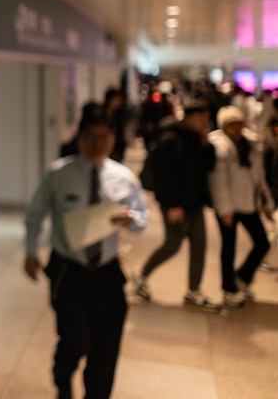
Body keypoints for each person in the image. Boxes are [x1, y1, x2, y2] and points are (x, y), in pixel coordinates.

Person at [25, 104, 148, 399]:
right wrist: (31, 252)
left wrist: (131, 219)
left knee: (106, 349)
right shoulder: (60, 173)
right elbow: (36, 214)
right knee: (75, 340)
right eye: (91, 136)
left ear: (113, 139)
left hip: (107, 271)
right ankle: (62, 376)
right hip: (69, 270)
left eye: (105, 137)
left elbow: (142, 220)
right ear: (80, 137)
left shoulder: (123, 177)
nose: (98, 143)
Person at [131, 100, 218, 310]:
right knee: (172, 245)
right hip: (176, 204)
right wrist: (172, 205)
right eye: (200, 119)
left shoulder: (198, 139)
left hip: (195, 203)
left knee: (199, 247)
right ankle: (141, 276)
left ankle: (193, 291)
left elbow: (207, 167)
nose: (204, 123)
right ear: (187, 117)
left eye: (206, 120)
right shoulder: (171, 139)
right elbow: (164, 177)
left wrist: (207, 146)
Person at [208, 106, 274, 307]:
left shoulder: (251, 144)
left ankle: (242, 277)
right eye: (232, 124)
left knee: (262, 242)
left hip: (248, 203)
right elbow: (218, 182)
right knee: (228, 248)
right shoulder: (219, 147)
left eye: (239, 123)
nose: (237, 128)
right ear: (224, 126)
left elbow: (259, 177)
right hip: (228, 206)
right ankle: (228, 289)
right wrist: (225, 210)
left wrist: (265, 202)